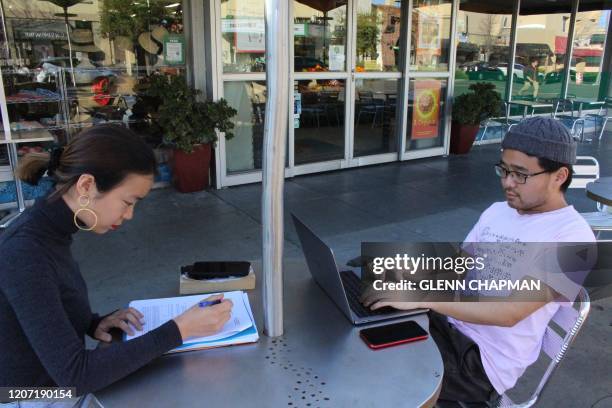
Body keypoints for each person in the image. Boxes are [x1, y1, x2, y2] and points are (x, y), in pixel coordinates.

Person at [362, 117, 595, 403]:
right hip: (448, 326)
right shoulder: (499, 210)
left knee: (375, 375)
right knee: (366, 323)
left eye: (520, 174)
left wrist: (424, 297)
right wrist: (403, 275)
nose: (507, 183)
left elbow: (510, 314)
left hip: (480, 362)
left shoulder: (575, 239)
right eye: (504, 170)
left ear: (559, 176)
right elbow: (461, 264)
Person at [0, 125, 233, 405]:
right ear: (86, 186)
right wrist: (180, 329)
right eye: (127, 201)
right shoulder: (25, 251)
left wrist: (94, 323)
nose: (129, 214)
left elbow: (43, 311)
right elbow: (75, 376)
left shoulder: (50, 232)